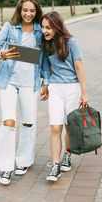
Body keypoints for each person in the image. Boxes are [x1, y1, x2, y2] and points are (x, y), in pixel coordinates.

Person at [0, 0, 49, 185]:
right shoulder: (10, 27)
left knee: (28, 122)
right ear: (19, 9)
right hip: (8, 81)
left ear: (36, 11)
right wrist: (0, 53)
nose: (28, 14)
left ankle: (23, 160)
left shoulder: (41, 30)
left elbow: (46, 57)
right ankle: (6, 167)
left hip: (29, 82)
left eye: (32, 10)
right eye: (25, 10)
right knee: (8, 123)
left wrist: (46, 82)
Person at [41, 11, 89, 181]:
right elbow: (45, 67)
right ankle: (55, 165)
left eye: (48, 27)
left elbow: (79, 67)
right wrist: (45, 85)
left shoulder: (72, 42)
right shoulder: (47, 44)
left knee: (69, 125)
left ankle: (67, 155)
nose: (44, 31)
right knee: (55, 127)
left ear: (57, 26)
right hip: (55, 88)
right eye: (42, 28)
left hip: (72, 89)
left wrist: (84, 92)